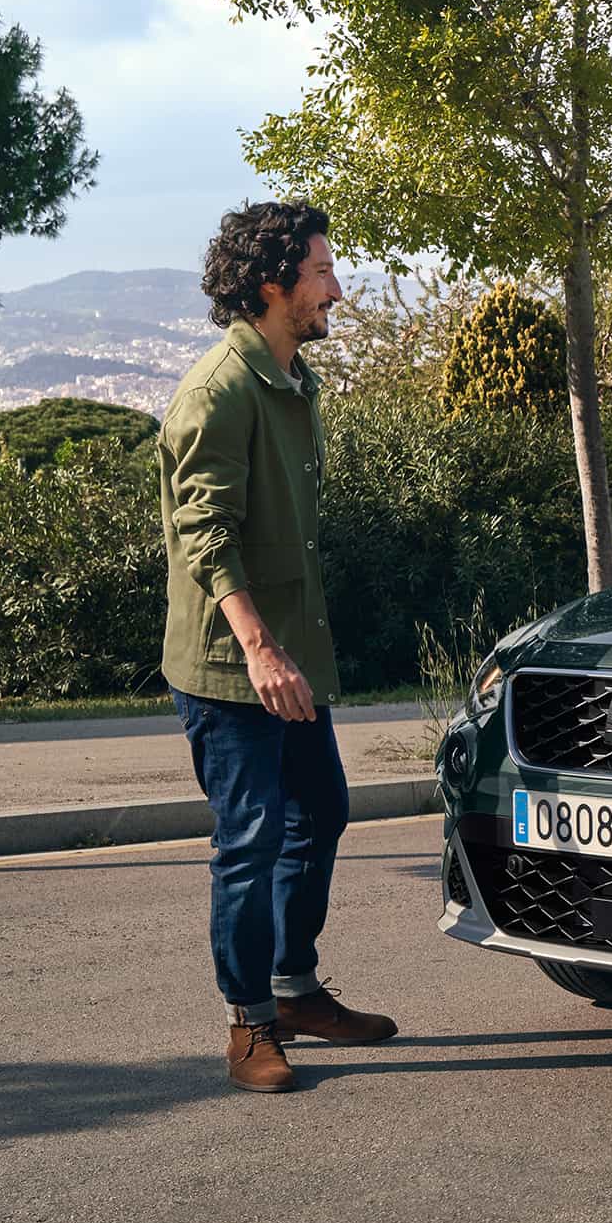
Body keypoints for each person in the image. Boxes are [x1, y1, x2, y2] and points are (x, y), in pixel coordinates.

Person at [160, 201, 395, 1093]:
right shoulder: (218, 391)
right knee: (251, 839)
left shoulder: (295, 378)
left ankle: (294, 989)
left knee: (321, 814)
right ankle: (249, 1024)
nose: (336, 286)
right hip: (234, 665)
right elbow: (205, 534)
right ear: (273, 288)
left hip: (295, 654)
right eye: (323, 272)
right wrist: (259, 649)